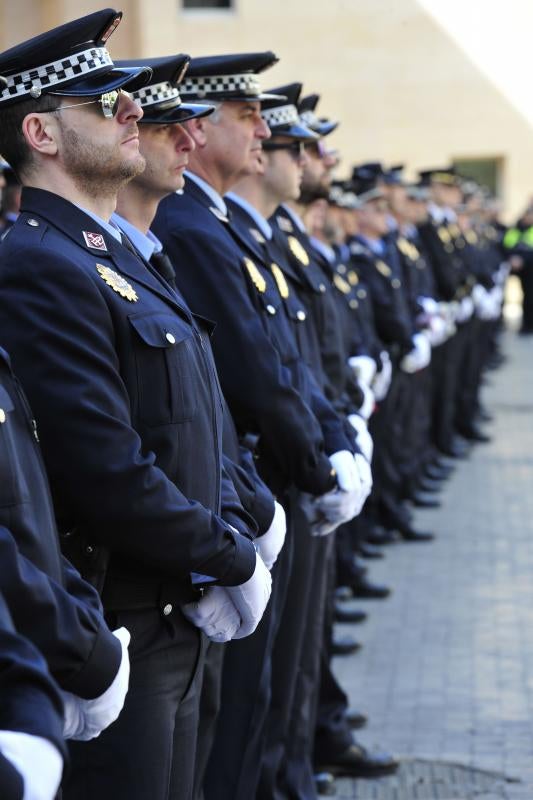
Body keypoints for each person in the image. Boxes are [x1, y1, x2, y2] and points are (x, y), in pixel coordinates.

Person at [0, 11, 265, 800]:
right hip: (124, 610)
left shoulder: (113, 255)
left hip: (177, 601)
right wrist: (228, 553)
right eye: (103, 104)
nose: (132, 115)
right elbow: (103, 462)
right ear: (41, 133)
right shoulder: (42, 265)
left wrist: (230, 533)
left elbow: (194, 417)